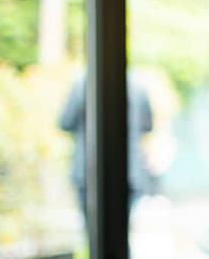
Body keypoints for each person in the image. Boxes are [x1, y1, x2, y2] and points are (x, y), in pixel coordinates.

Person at [58, 72, 154, 243]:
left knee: (95, 236)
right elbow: (147, 126)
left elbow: (65, 122)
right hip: (129, 171)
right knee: (121, 236)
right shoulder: (137, 84)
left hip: (88, 172)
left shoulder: (81, 84)